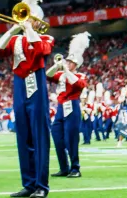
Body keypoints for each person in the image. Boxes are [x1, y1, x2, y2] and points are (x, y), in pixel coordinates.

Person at [0, 0, 54, 198]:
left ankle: (41, 186)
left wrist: (29, 30)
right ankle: (28, 183)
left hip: (36, 87)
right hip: (19, 86)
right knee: (23, 136)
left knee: (39, 137)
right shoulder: (16, 39)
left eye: (30, 18)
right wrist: (14, 28)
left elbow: (40, 51)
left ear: (37, 21)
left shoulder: (45, 38)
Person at [46, 32, 90, 178]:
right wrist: (57, 65)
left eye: (70, 62)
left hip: (72, 106)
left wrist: (65, 69)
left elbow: (76, 83)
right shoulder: (62, 74)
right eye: (68, 61)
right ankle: (64, 167)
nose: (68, 63)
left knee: (71, 138)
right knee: (57, 136)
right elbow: (48, 74)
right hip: (61, 107)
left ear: (76, 64)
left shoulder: (80, 75)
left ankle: (75, 168)